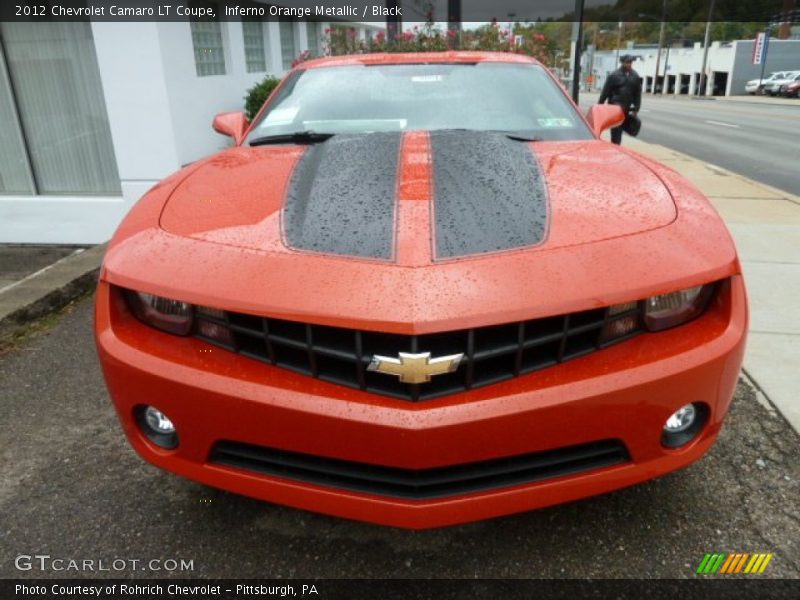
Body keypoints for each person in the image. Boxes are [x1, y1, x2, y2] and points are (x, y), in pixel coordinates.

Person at [598, 55, 642, 145]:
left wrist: (636, 108)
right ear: (622, 63)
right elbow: (605, 92)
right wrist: (600, 105)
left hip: (627, 108)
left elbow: (637, 93)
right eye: (627, 62)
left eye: (630, 62)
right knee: (616, 132)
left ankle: (617, 146)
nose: (629, 64)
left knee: (626, 129)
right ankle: (616, 146)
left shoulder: (635, 76)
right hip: (615, 109)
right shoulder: (614, 76)